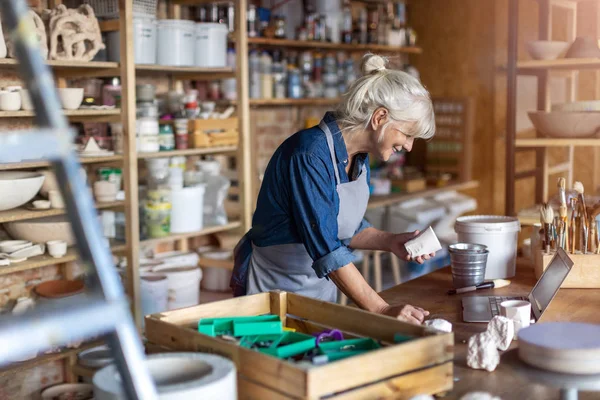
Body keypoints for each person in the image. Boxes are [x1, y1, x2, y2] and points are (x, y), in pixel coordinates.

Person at [231, 54, 436, 325]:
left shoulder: (359, 158)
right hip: (272, 289)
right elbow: (326, 246)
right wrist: (382, 309)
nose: (409, 146)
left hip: (319, 292)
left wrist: (390, 241)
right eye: (407, 135)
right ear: (380, 117)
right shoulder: (308, 155)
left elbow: (341, 226)